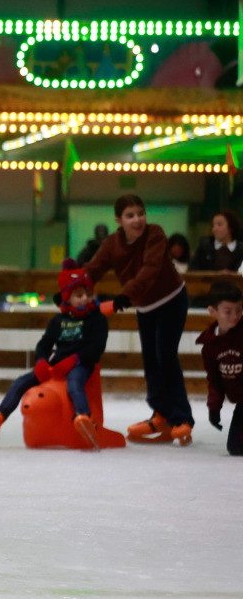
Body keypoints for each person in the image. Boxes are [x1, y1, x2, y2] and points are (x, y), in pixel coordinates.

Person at [0, 259, 110, 448]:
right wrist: (41, 362)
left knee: (74, 383)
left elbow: (96, 346)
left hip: (81, 364)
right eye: (79, 295)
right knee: (21, 382)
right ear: (67, 298)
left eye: (88, 293)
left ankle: (84, 419)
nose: (85, 298)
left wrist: (74, 359)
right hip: (56, 365)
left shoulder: (97, 319)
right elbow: (45, 343)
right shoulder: (58, 321)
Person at [82, 194, 193, 444]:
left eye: (140, 213)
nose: (137, 220)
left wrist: (122, 297)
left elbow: (150, 269)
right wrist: (71, 285)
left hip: (171, 299)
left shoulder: (155, 234)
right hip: (145, 307)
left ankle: (182, 418)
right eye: (130, 216)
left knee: (165, 356)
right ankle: (161, 414)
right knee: (151, 361)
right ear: (118, 220)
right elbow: (94, 268)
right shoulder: (113, 243)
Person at [197, 280, 243, 456]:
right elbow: (215, 381)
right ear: (213, 311)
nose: (235, 316)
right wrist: (214, 408)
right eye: (228, 311)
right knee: (236, 448)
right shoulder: (210, 347)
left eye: (239, 310)